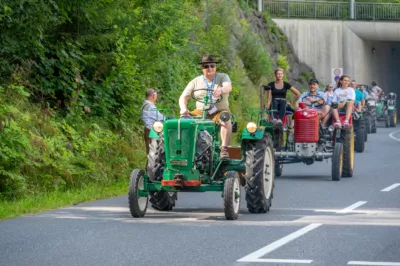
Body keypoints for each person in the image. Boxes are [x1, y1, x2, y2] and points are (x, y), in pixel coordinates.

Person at [179, 54, 232, 159]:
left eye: (212, 66)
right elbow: (183, 97)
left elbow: (228, 87)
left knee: (225, 118)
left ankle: (224, 149)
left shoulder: (223, 77)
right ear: (202, 68)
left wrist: (221, 90)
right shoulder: (195, 81)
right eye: (206, 66)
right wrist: (183, 108)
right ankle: (184, 149)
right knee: (183, 120)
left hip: (219, 111)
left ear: (215, 67)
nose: (209, 69)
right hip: (200, 112)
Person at [141, 88, 165, 155]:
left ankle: (151, 165)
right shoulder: (149, 106)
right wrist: (168, 119)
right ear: (153, 95)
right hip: (151, 130)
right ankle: (151, 165)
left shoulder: (145, 104)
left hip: (148, 129)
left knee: (151, 152)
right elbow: (160, 117)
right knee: (152, 152)